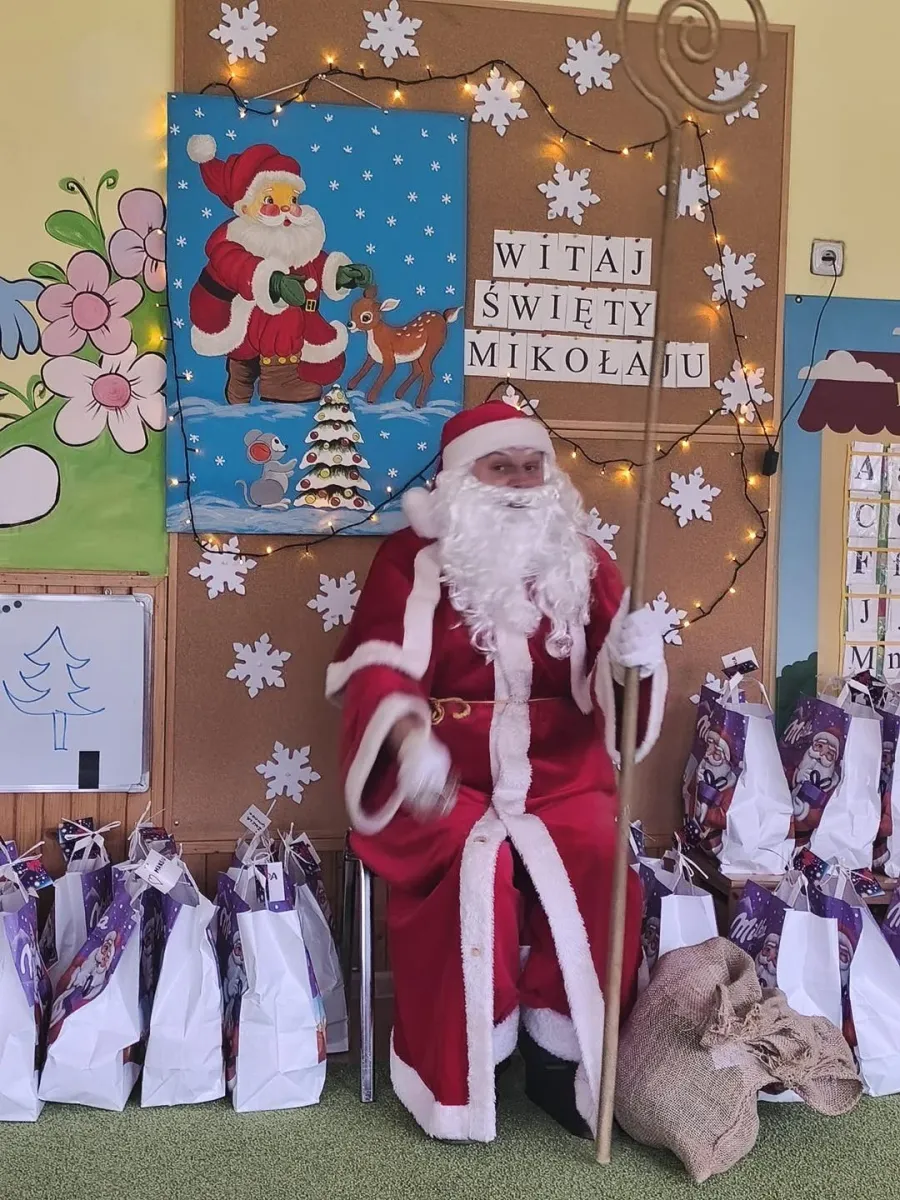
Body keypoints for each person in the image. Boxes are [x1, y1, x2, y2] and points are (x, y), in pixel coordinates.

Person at [328, 399, 667, 1143]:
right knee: (471, 868)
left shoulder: (585, 559)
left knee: (602, 860)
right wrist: (409, 743)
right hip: (446, 767)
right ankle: (469, 1062)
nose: (518, 481)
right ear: (461, 479)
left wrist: (634, 662)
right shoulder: (411, 559)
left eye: (530, 466)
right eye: (499, 466)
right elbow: (377, 666)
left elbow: (614, 683)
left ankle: (559, 1057)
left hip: (562, 767)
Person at [186, 136, 372, 404]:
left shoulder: (293, 238)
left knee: (320, 351)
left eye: (292, 198)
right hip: (228, 311)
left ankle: (248, 371)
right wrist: (273, 283)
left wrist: (340, 274)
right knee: (283, 312)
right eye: (271, 198)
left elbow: (313, 262)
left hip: (273, 319)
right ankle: (277, 380)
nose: (286, 208)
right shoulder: (236, 237)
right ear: (245, 205)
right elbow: (235, 266)